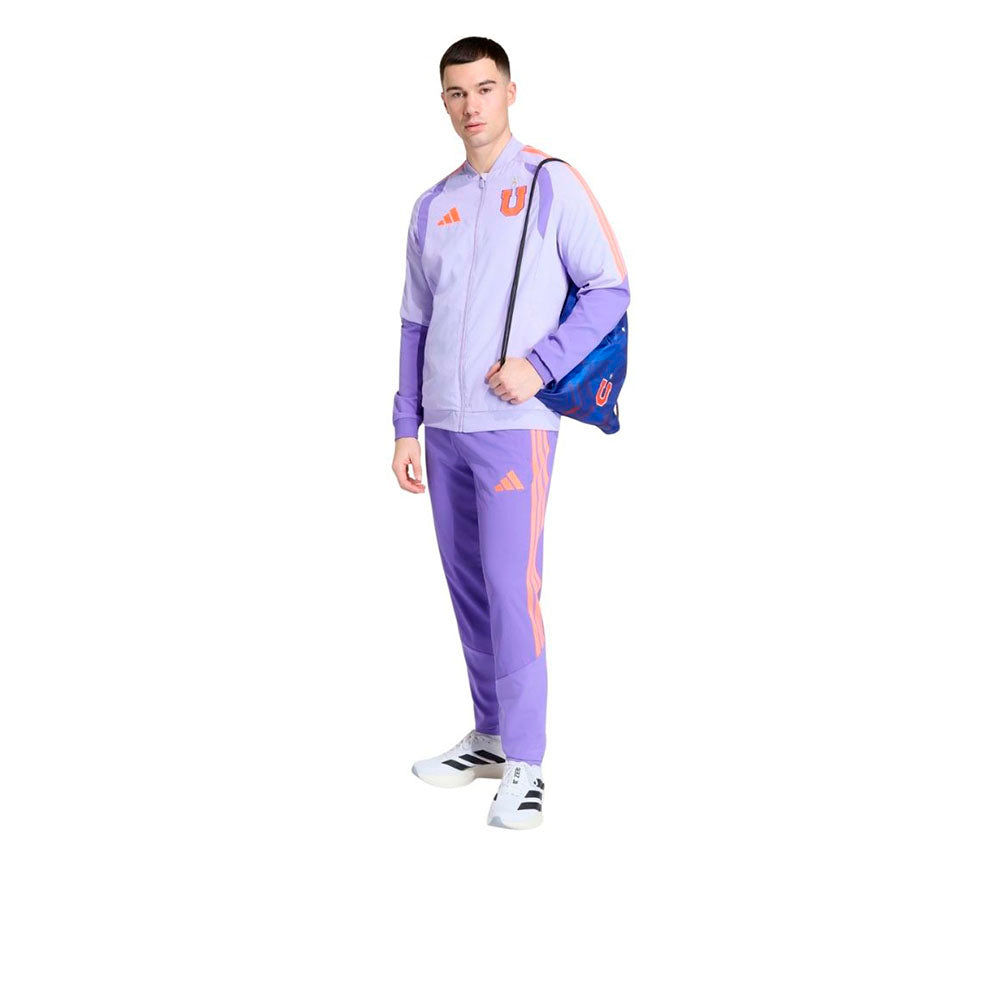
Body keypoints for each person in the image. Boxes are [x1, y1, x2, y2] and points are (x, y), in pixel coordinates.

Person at [390, 37, 630, 829]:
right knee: (468, 588)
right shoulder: (433, 205)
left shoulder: (549, 183)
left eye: (485, 88)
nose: (472, 106)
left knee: (510, 587)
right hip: (445, 428)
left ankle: (526, 763)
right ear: (444, 102)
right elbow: (414, 322)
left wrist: (539, 364)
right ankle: (490, 737)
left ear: (511, 92)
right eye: (457, 93)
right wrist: (406, 423)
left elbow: (610, 286)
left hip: (513, 426)